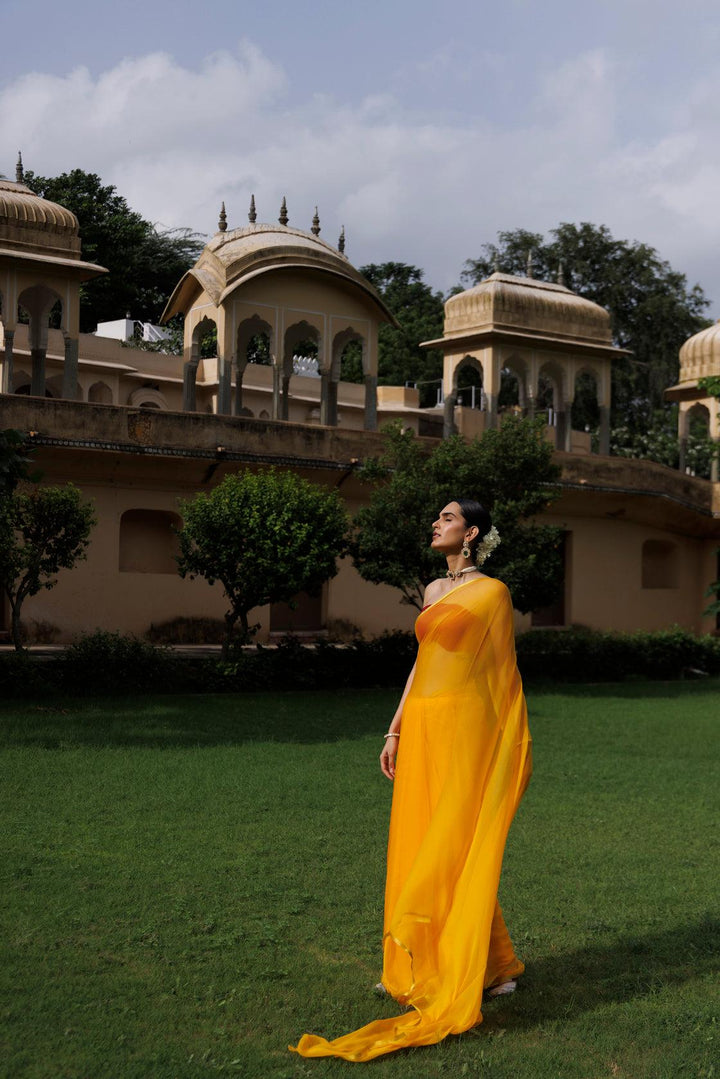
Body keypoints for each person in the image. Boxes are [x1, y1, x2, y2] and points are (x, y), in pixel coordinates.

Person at [291, 499, 532, 1062]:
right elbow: (421, 664)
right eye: (438, 519)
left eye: (447, 519)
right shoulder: (430, 590)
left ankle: (473, 966)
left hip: (467, 726)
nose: (435, 524)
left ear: (471, 533)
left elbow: (502, 669)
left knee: (455, 842)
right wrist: (394, 729)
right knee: (423, 836)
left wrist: (505, 740)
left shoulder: (492, 593)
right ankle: (474, 965)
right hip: (423, 724)